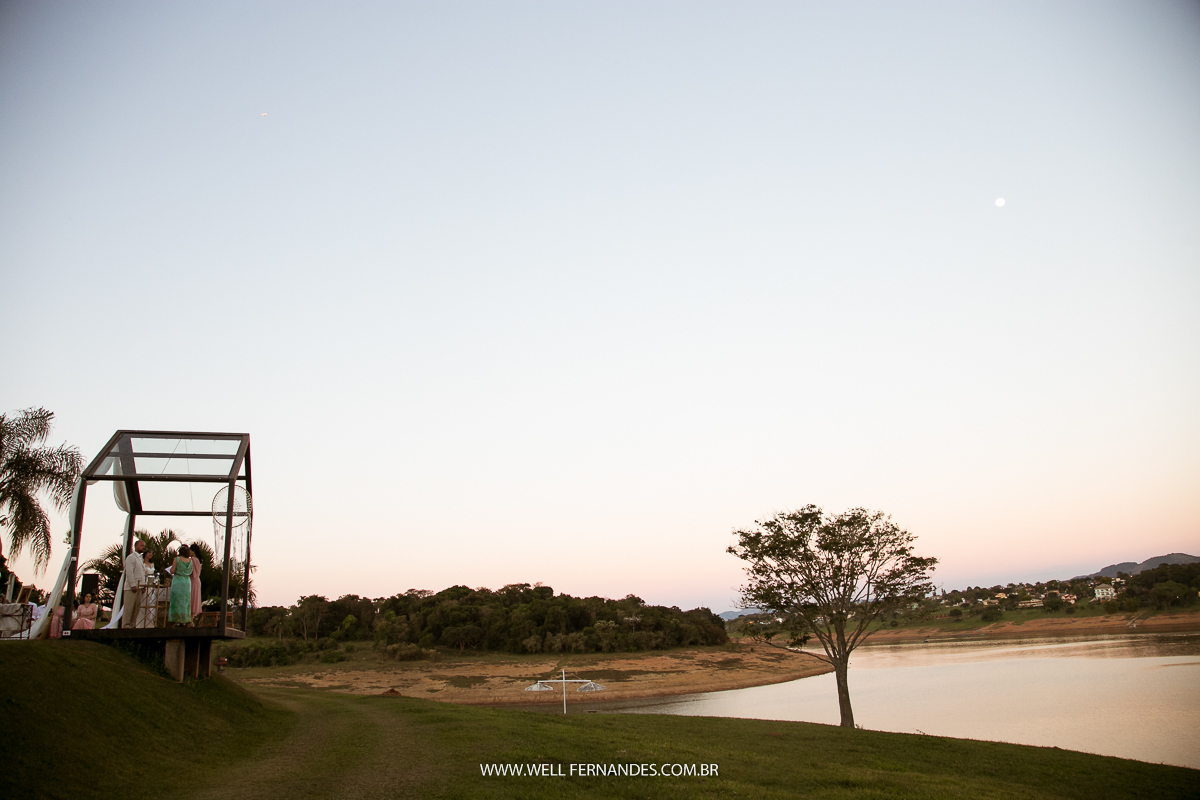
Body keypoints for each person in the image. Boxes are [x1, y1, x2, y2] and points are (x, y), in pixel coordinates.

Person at [121, 539, 148, 628]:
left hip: (139, 586)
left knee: (136, 608)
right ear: (136, 546)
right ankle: (126, 625)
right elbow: (129, 572)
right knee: (129, 607)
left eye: (144, 546)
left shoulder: (140, 558)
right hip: (132, 587)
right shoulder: (131, 557)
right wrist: (132, 584)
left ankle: (132, 625)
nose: (143, 547)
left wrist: (143, 586)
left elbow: (142, 573)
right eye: (141, 545)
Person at [167, 545, 194, 626]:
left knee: (176, 599)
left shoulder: (177, 559)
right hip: (187, 581)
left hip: (178, 580)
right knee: (185, 600)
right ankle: (185, 619)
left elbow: (172, 571)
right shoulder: (190, 560)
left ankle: (175, 619)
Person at [188, 547, 202, 619]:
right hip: (197, 580)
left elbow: (190, 571)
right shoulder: (198, 560)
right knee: (195, 599)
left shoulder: (192, 560)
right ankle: (191, 618)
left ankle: (190, 618)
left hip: (192, 580)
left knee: (191, 598)